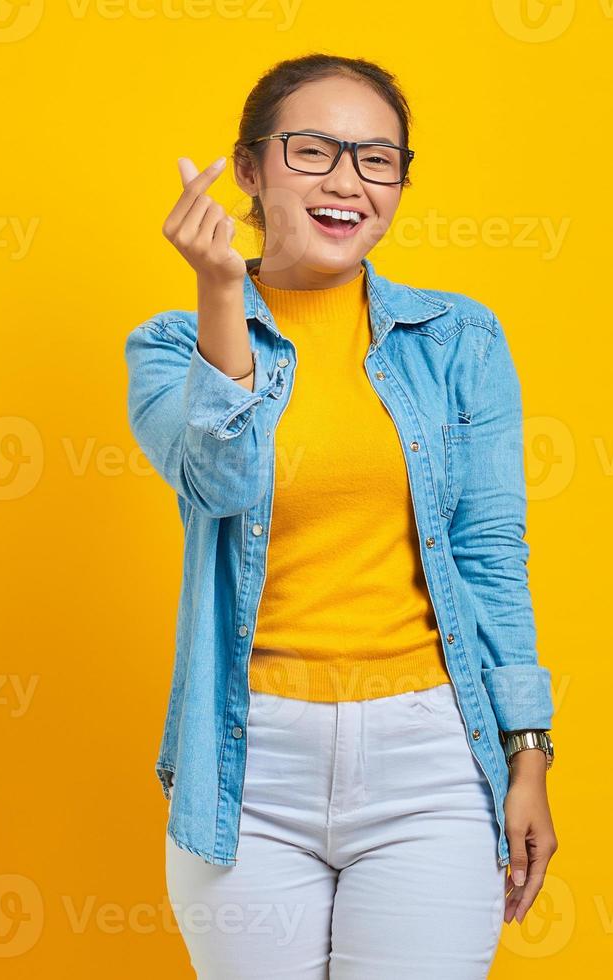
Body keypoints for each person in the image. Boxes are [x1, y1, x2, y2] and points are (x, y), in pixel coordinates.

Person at [125, 53, 559, 978]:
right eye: (313, 151)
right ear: (248, 171)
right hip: (249, 765)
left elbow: (491, 552)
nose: (347, 182)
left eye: (377, 159)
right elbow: (219, 483)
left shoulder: (457, 341)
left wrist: (527, 753)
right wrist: (219, 296)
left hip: (432, 759)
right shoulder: (169, 345)